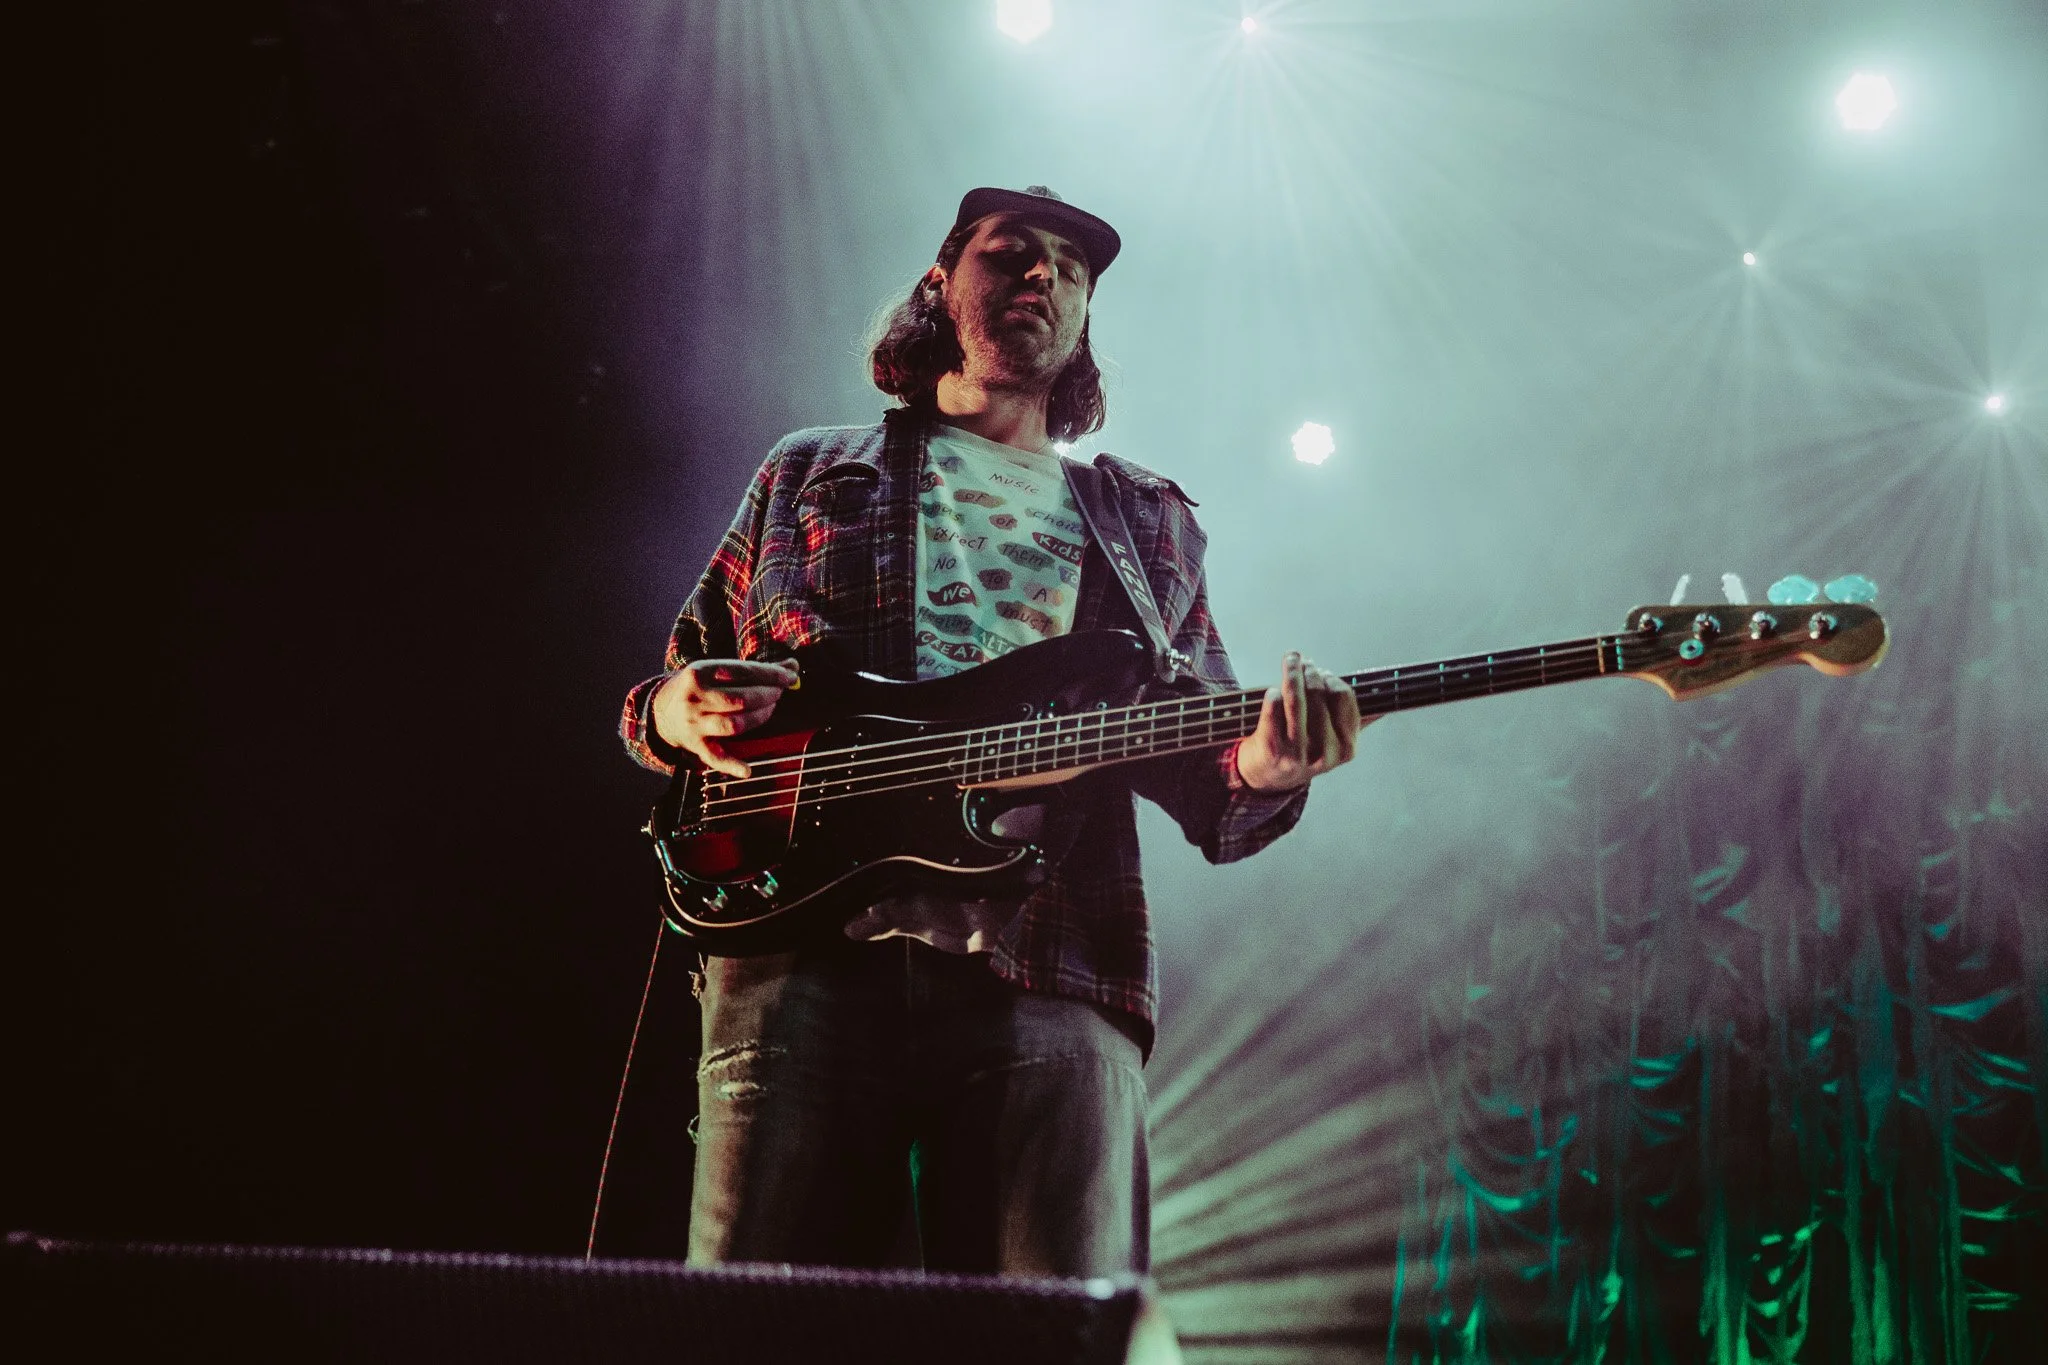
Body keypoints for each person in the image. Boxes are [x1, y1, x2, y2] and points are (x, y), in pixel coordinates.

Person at [620, 186, 1364, 1276]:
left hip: (1056, 958)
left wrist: (1271, 761)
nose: (1042, 276)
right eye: (1010, 252)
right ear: (942, 282)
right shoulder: (811, 468)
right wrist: (676, 709)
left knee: (1055, 1325)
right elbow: (670, 687)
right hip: (800, 946)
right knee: (751, 1320)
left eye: (1071, 268)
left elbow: (1207, 772)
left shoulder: (1143, 521)